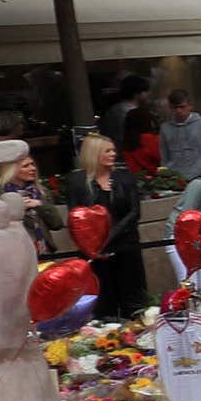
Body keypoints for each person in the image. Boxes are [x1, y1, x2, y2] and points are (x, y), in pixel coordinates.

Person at [60, 134, 146, 318]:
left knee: (133, 299)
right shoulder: (77, 182)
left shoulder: (124, 178)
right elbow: (75, 217)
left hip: (126, 246)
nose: (113, 154)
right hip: (94, 252)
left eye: (113, 150)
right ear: (94, 153)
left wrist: (110, 236)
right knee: (103, 302)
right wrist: (94, 245)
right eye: (107, 151)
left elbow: (134, 212)